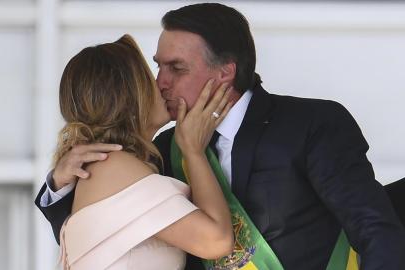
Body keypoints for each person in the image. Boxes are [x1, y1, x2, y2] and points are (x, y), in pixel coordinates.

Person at [36, 3, 405, 270]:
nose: (161, 81)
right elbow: (101, 236)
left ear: (225, 72)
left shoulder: (310, 123)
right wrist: (58, 185)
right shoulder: (161, 152)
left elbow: (376, 231)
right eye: (157, 67)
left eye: (176, 68)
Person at [40, 34, 235, 269]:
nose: (161, 84)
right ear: (131, 95)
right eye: (149, 78)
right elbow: (216, 241)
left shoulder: (117, 165)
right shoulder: (112, 166)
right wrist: (194, 152)